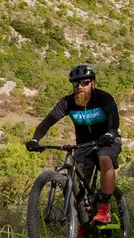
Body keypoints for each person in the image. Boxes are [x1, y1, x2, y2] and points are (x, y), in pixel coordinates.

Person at [26, 63, 121, 226]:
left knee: (105, 159)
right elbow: (48, 121)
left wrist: (110, 132)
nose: (80, 87)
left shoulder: (103, 98)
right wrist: (35, 139)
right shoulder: (67, 103)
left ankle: (104, 208)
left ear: (93, 83)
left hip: (107, 139)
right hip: (83, 145)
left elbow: (113, 117)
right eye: (76, 84)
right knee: (76, 187)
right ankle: (81, 227)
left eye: (84, 82)